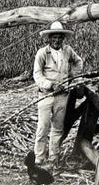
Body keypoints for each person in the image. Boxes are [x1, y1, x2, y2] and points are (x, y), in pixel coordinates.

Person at [32, 21, 83, 167]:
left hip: (62, 96)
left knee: (58, 128)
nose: (57, 40)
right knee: (43, 127)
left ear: (63, 38)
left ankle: (54, 157)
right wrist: (50, 85)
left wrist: (73, 76)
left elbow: (78, 62)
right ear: (49, 38)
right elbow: (37, 75)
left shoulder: (67, 51)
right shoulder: (42, 53)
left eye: (60, 37)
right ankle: (39, 157)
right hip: (46, 95)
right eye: (54, 37)